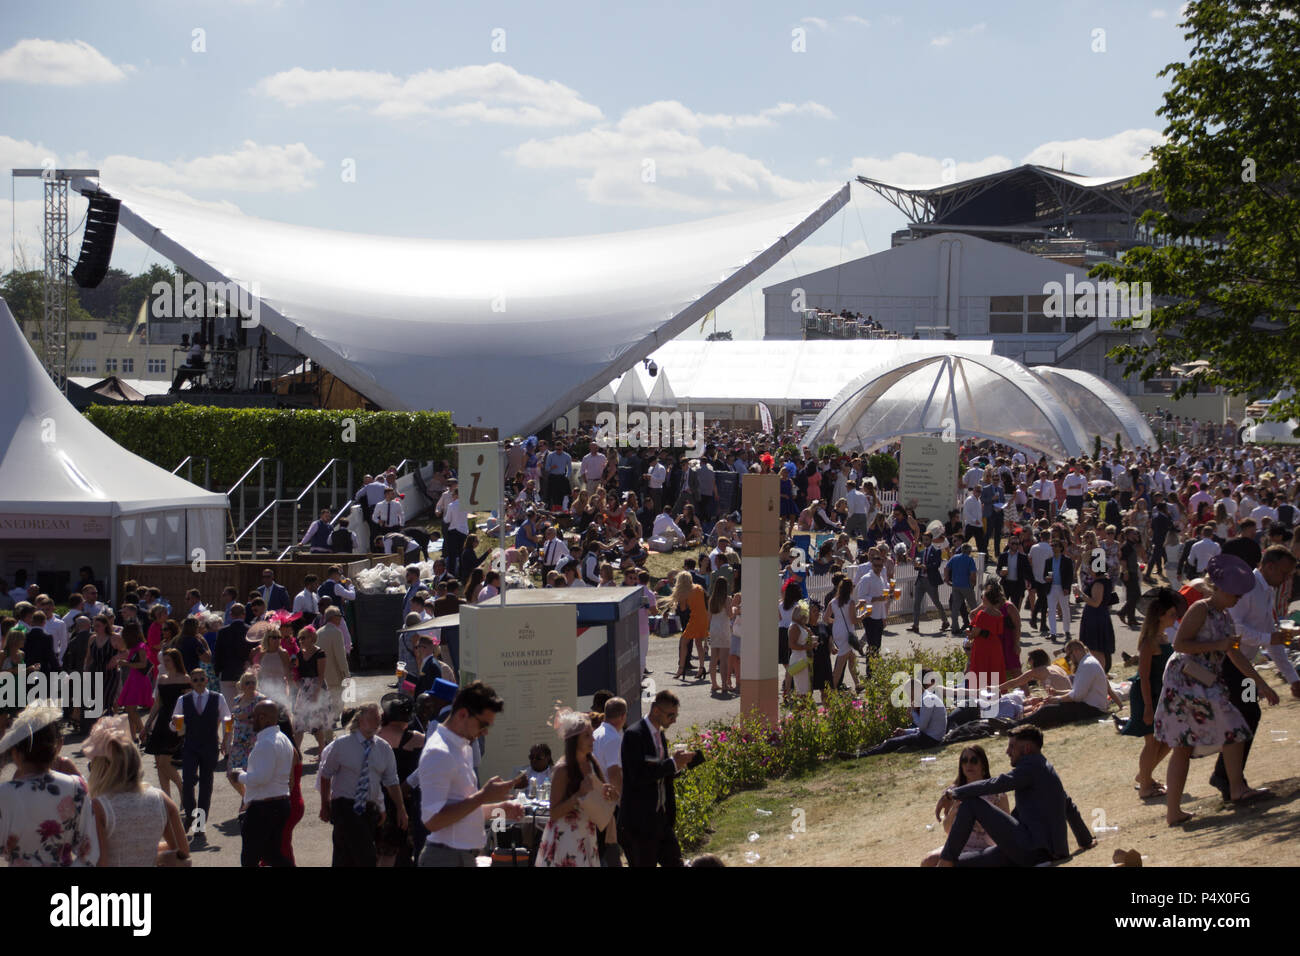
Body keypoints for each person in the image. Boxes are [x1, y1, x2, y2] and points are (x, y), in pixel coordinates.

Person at [936, 724, 1094, 866]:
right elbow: (1069, 806)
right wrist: (1085, 841)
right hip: (1034, 850)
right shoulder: (1046, 770)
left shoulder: (1030, 768)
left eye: (1012, 747)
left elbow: (997, 783)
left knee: (971, 804)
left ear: (1026, 749)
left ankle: (946, 861)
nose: (1007, 751)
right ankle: (947, 862)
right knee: (961, 863)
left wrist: (954, 793)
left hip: (1033, 852)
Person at [417, 681, 522, 866]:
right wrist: (483, 796)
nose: (485, 732)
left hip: (458, 856)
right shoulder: (439, 752)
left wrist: (500, 809)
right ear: (463, 714)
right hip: (445, 858)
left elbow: (463, 811)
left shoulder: (461, 747)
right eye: (483, 724)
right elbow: (432, 820)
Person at [0, 702, 99, 865]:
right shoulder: (77, 787)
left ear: (16, 754)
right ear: (57, 747)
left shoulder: (5, 794)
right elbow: (90, 850)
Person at [85, 715, 189, 866]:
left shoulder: (99, 807)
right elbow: (182, 852)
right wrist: (147, 848)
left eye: (93, 763)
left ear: (106, 767)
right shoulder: (161, 799)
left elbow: (102, 861)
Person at [619, 690, 704, 867]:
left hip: (661, 819)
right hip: (640, 822)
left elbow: (660, 773)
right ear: (656, 711)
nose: (674, 720)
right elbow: (638, 776)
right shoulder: (634, 735)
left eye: (676, 715)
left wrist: (683, 764)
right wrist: (672, 763)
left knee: (676, 863)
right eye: (671, 715)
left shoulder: (659, 734)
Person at [318, 702, 408, 866]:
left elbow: (391, 781)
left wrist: (399, 809)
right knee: (366, 857)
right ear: (360, 720)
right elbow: (325, 775)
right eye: (373, 717)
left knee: (344, 858)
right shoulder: (341, 745)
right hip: (345, 807)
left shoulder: (383, 748)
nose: (378, 720)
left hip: (369, 810)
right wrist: (325, 804)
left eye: (378, 717)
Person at [1117, 588, 1182, 799]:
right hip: (1147, 695)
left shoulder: (1163, 637)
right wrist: (1147, 707)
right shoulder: (1149, 641)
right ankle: (1145, 786)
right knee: (1152, 741)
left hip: (1161, 695)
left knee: (1169, 740)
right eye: (1171, 614)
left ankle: (1144, 776)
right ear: (1160, 616)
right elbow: (1143, 676)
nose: (1175, 617)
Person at [536, 710, 620, 867]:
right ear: (574, 740)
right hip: (566, 841)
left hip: (587, 837)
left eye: (592, 734)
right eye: (587, 736)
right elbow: (553, 813)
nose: (593, 739)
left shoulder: (591, 762)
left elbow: (599, 796)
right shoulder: (563, 769)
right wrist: (578, 795)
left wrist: (610, 794)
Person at [921, 746, 1011, 866]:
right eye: (964, 760)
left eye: (973, 760)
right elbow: (947, 830)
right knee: (928, 861)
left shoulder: (997, 794)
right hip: (959, 846)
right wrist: (954, 811)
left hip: (986, 848)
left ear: (983, 765)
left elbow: (1007, 832)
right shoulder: (953, 792)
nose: (968, 764)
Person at [172, 668, 232, 841]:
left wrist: (226, 741)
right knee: (188, 780)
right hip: (190, 745)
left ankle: (200, 826)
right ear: (191, 682)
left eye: (201, 679)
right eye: (195, 679)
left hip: (210, 746)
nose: (198, 682)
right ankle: (190, 812)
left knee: (206, 786)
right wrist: (175, 724)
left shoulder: (217, 698)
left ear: (206, 680)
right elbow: (174, 725)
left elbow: (228, 719)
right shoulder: (183, 700)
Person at [236, 700, 296, 867]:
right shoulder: (282, 738)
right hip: (279, 804)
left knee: (250, 858)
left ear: (263, 718)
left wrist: (239, 775)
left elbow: (261, 778)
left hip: (264, 808)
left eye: (253, 716)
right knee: (272, 854)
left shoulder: (266, 743)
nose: (251, 720)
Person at [376, 695, 424, 867]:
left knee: (381, 849)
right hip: (404, 801)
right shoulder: (418, 739)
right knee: (402, 849)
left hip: (377, 799)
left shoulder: (374, 737)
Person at [1020, 640, 1115, 729]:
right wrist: (1057, 692)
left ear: (1076, 651)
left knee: (1047, 710)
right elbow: (1076, 691)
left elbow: (1077, 696)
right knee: (1050, 708)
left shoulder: (1086, 665)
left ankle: (1016, 725)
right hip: (1093, 706)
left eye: (1069, 655)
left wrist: (1057, 698)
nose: (1069, 659)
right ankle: (1018, 724)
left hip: (1093, 709)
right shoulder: (1089, 661)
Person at [143, 648, 190, 801]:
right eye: (164, 660)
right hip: (162, 720)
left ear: (176, 660)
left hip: (176, 721)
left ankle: (182, 787)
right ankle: (167, 798)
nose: (165, 663)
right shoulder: (162, 678)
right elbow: (158, 703)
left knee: (164, 762)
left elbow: (190, 704)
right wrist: (148, 723)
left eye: (168, 660)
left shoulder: (186, 679)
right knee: (159, 762)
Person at [862, 679, 946, 755]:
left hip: (931, 740)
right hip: (931, 736)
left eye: (909, 693)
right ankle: (865, 753)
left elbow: (922, 727)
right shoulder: (927, 697)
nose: (909, 697)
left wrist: (912, 713)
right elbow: (926, 728)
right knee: (893, 740)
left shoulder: (927, 700)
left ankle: (863, 755)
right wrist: (906, 731)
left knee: (891, 743)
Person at [591, 696, 626, 867]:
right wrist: (618, 802)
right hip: (608, 803)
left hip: (595, 799)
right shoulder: (613, 738)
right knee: (609, 850)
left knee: (602, 850)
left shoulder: (596, 733)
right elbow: (614, 772)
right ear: (622, 716)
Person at [1078, 566, 1116, 673]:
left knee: (1096, 648)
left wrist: (1080, 593)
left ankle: (1101, 674)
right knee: (1096, 648)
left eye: (1091, 567)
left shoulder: (1099, 583)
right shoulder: (1105, 580)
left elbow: (1095, 603)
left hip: (1095, 617)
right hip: (1099, 616)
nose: (1089, 570)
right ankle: (1099, 674)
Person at [910, 533, 950, 633]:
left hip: (930, 580)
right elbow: (918, 564)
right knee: (916, 603)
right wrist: (916, 565)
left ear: (931, 540)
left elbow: (937, 564)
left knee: (936, 602)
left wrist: (926, 567)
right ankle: (915, 625)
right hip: (921, 579)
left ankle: (945, 621)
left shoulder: (936, 550)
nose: (925, 542)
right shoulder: (922, 551)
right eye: (923, 540)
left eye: (927, 540)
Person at [672, 571, 708, 681]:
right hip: (703, 618)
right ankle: (701, 667)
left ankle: (681, 668)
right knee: (698, 643)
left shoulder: (685, 593)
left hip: (695, 619)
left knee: (684, 642)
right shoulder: (699, 588)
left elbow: (682, 609)